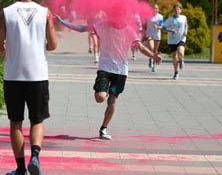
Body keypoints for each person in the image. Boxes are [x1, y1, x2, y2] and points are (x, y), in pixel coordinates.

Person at [56, 8, 162, 141]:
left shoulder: (129, 30)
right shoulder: (103, 25)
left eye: (120, 15)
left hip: (121, 71)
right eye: (115, 15)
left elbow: (140, 47)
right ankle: (104, 91)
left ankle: (103, 128)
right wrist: (64, 23)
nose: (117, 17)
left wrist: (153, 55)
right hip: (105, 68)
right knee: (100, 97)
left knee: (112, 101)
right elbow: (83, 28)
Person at [0, 0, 57, 175]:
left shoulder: (6, 12)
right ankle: (36, 158)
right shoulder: (45, 13)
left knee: (15, 123)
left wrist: (10, 54)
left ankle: (21, 170)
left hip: (13, 75)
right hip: (38, 75)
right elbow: (53, 45)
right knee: (37, 120)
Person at [163, 3, 188, 79]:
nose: (176, 11)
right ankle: (176, 72)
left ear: (180, 10)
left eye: (178, 9)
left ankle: (181, 60)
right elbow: (164, 28)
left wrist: (186, 31)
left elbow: (186, 25)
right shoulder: (170, 19)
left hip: (181, 38)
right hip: (172, 40)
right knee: (174, 56)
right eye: (175, 9)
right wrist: (171, 30)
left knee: (181, 52)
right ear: (173, 10)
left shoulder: (183, 17)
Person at [144, 4, 163, 72]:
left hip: (157, 35)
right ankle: (150, 58)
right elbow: (145, 24)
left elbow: (161, 26)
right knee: (151, 48)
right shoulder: (148, 16)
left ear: (158, 9)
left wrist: (157, 27)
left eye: (156, 8)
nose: (154, 10)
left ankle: (153, 65)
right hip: (149, 34)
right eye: (153, 8)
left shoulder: (160, 17)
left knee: (155, 51)